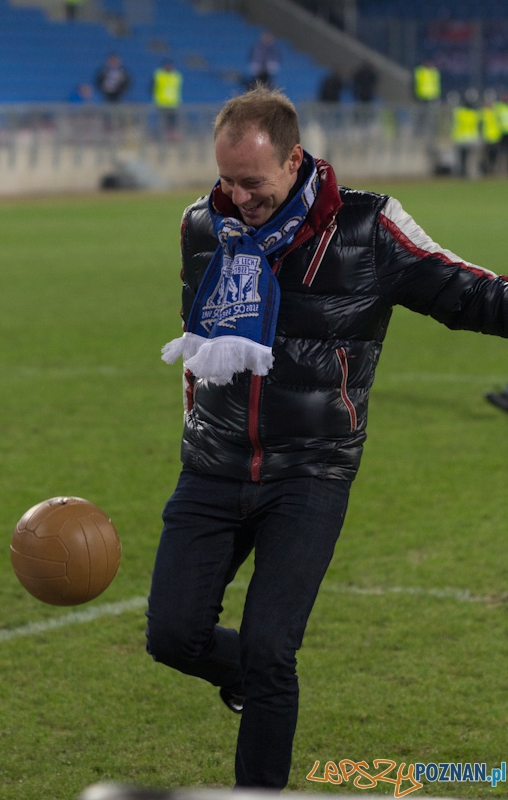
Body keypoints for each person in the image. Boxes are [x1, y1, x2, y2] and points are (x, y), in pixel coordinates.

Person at [146, 86, 508, 791]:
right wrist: (196, 429)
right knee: (172, 637)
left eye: (251, 182)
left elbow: (469, 294)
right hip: (213, 467)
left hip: (309, 473)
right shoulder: (199, 226)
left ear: (293, 160)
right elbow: (198, 339)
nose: (234, 196)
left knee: (271, 653)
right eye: (224, 178)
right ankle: (247, 677)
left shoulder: (368, 226)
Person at [151, 59, 183, 141]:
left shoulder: (176, 75)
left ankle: (173, 138)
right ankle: (164, 138)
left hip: (173, 103)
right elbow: (152, 87)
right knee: (164, 123)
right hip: (161, 103)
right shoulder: (158, 75)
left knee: (174, 123)